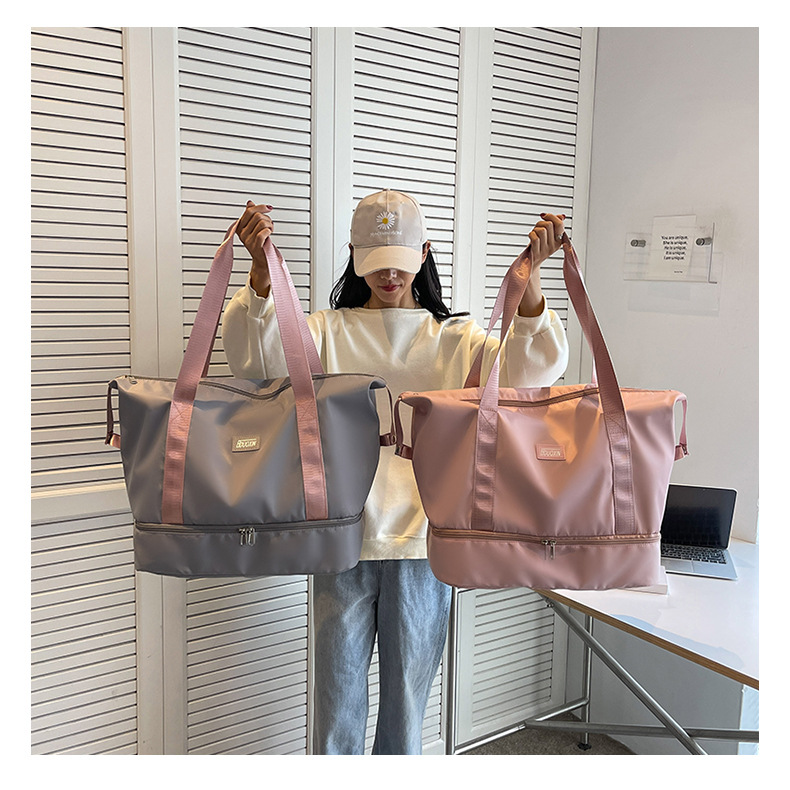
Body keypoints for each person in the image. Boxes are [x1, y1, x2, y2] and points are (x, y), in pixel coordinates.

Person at [221, 189, 569, 755]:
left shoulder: (454, 339)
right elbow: (256, 364)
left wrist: (528, 282)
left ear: (425, 253)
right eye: (375, 262)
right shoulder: (325, 331)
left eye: (400, 262)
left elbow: (531, 374)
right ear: (354, 257)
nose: (388, 275)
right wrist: (260, 273)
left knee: (406, 712)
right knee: (336, 710)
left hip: (424, 539)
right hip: (341, 535)